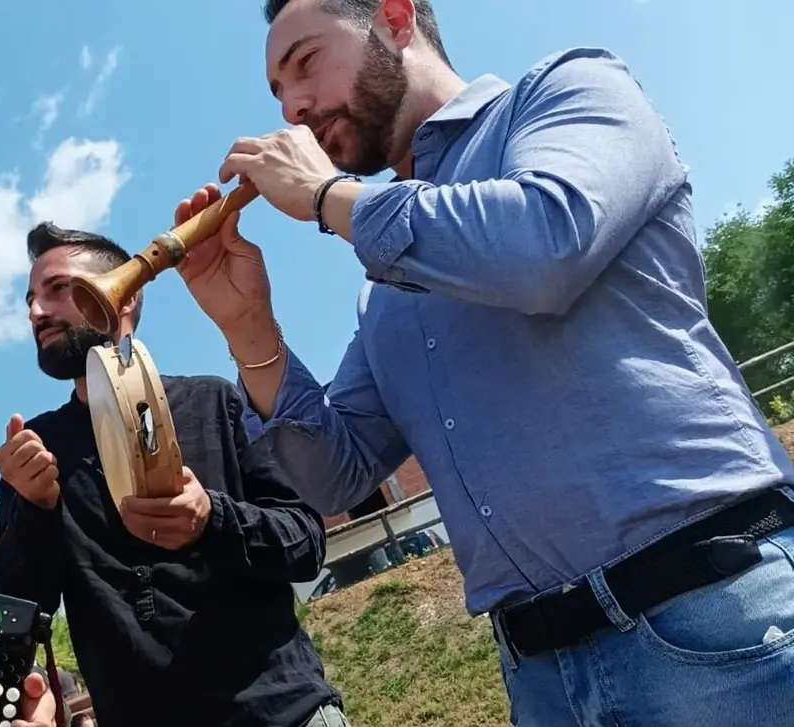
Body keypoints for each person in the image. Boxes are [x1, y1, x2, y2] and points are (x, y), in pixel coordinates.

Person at [172, 0, 794, 725]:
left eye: (305, 62)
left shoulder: (571, 90)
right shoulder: (388, 289)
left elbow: (544, 244)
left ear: (397, 17)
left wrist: (325, 197)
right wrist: (250, 327)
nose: (294, 106)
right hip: (544, 678)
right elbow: (334, 474)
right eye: (277, 92)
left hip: (719, 621)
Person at [0, 223, 347, 727]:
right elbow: (20, 616)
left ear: (127, 296)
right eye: (30, 299)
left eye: (59, 289)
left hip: (284, 713)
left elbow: (305, 542)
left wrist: (213, 518)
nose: (36, 312)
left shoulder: (214, 400)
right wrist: (35, 509)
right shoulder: (32, 448)